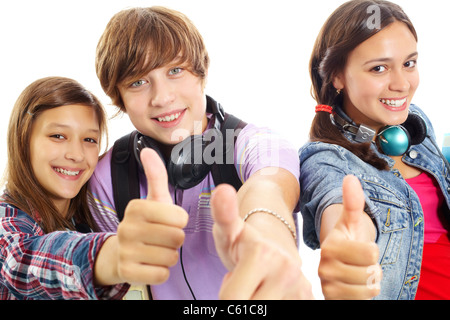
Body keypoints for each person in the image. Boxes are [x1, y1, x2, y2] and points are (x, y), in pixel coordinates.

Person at [88, 6, 313, 300]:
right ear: (119, 96)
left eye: (175, 71)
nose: (162, 97)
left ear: (201, 73)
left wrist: (269, 238)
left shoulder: (256, 144)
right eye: (138, 82)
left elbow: (269, 188)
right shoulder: (106, 178)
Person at [299, 0, 450, 300]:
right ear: (337, 76)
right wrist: (345, 249)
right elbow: (339, 213)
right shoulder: (324, 160)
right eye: (379, 68)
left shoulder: (416, 123)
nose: (402, 84)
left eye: (409, 63)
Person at [0, 76, 187, 299]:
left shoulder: (94, 212)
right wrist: (114, 255)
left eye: (89, 139)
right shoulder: (6, 219)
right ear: (22, 141)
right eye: (58, 136)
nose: (76, 155)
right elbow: (22, 260)